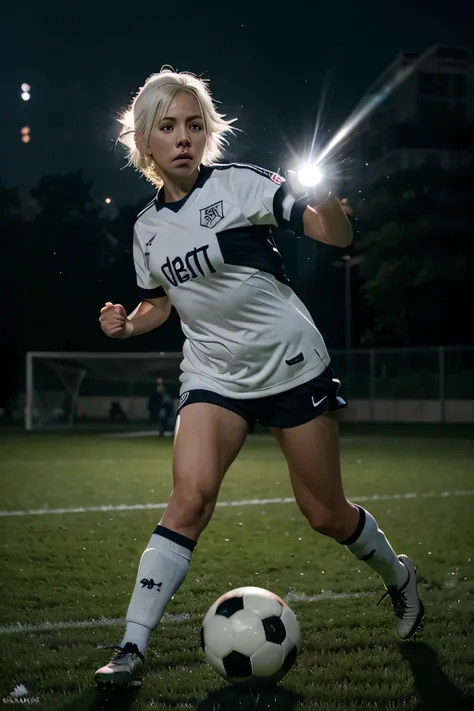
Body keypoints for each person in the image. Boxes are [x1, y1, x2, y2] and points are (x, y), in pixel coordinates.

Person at [96, 69, 424, 688]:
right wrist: (128, 325)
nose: (184, 138)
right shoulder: (145, 230)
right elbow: (160, 302)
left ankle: (398, 577)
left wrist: (327, 202)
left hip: (290, 365)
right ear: (145, 144)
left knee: (325, 513)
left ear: (208, 133)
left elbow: (335, 234)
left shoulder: (243, 186)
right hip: (213, 373)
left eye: (194, 125)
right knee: (189, 499)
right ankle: (131, 650)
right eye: (167, 128)